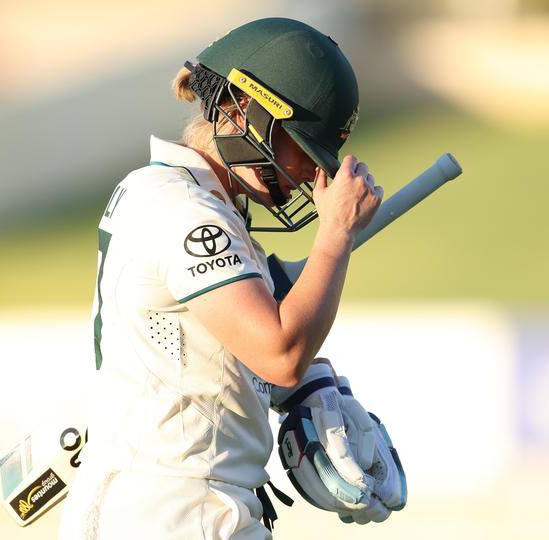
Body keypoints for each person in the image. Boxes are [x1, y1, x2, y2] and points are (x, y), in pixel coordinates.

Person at [58, 17, 382, 540]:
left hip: (180, 508)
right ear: (242, 111)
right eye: (302, 145)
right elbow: (279, 353)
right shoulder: (186, 210)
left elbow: (214, 357)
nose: (310, 174)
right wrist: (335, 235)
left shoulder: (196, 203)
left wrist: (306, 389)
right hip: (173, 512)